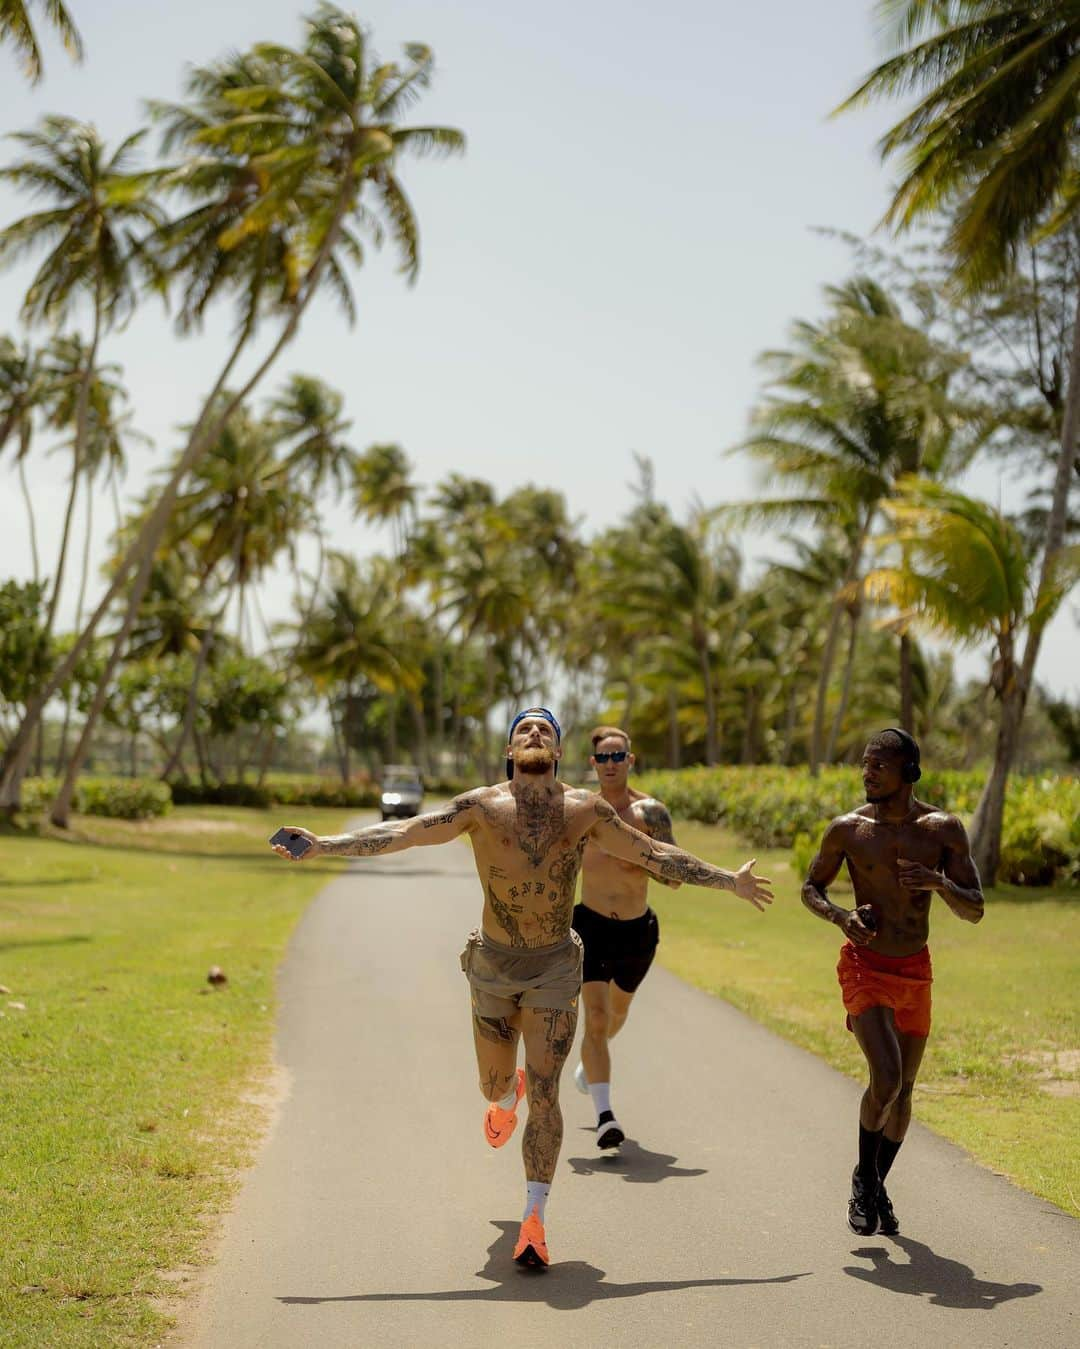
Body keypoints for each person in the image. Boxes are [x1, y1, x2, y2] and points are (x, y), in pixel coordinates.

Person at [273, 707, 773, 1268]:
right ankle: (502, 1094)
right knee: (494, 1088)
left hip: (557, 966)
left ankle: (534, 1220)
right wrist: (324, 844)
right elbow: (404, 833)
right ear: (510, 750)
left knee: (548, 1091)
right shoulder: (481, 807)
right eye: (522, 730)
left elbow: (653, 853)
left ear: (557, 751)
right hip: (492, 963)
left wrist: (729, 880)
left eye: (544, 730)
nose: (533, 734)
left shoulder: (585, 809)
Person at [801, 728, 983, 1237]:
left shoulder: (941, 830)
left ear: (908, 772)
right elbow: (810, 887)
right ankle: (865, 1185)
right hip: (863, 964)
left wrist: (940, 883)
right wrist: (840, 917)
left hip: (914, 969)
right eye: (864, 764)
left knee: (904, 1091)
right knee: (886, 1077)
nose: (866, 773)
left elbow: (976, 909)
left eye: (877, 766)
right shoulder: (848, 829)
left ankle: (874, 1181)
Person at [572, 725, 681, 1151]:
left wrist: (644, 860)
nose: (611, 764)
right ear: (593, 764)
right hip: (591, 926)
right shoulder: (580, 812)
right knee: (596, 1020)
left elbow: (675, 879)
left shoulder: (651, 813)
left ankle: (590, 1063)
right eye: (604, 757)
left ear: (631, 761)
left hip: (637, 931)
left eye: (619, 757)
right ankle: (605, 1117)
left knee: (616, 1016)